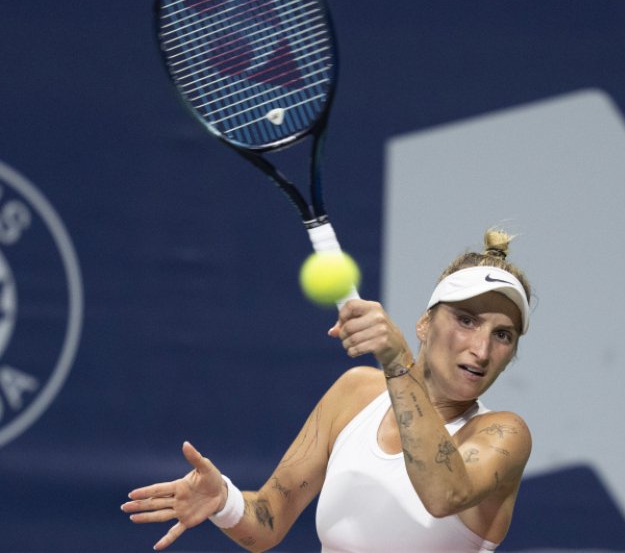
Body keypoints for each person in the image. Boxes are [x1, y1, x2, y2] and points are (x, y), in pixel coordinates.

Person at [122, 228, 534, 552]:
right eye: (466, 320)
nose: (481, 349)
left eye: (502, 335)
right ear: (425, 324)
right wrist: (224, 502)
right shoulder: (354, 393)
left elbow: (445, 494)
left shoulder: (504, 435)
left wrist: (397, 363)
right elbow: (269, 519)